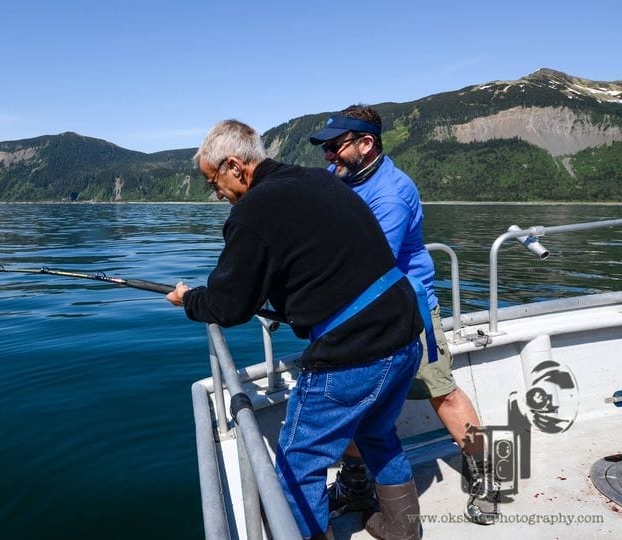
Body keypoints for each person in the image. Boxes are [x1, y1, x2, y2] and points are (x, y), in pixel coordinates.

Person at [167, 119, 426, 540]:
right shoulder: (314, 180)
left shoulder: (253, 212)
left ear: (235, 166)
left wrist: (189, 299)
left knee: (297, 459)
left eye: (212, 181)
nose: (215, 193)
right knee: (377, 432)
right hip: (404, 330)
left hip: (355, 349)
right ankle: (402, 528)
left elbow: (229, 306)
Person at [309, 105, 498, 525]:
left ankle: (486, 476)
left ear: (366, 143)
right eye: (325, 148)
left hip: (409, 312)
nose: (327, 157)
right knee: (356, 404)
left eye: (334, 147)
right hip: (359, 315)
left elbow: (371, 262)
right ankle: (357, 486)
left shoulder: (392, 192)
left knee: (442, 392)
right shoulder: (339, 177)